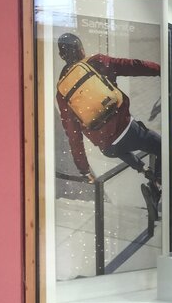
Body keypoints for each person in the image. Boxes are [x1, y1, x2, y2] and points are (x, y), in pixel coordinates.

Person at [55, 33, 162, 212]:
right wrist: (159, 69)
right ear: (81, 49)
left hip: (108, 148)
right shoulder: (96, 62)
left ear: (61, 56)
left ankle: (144, 170)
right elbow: (132, 66)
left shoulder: (62, 92)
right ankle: (156, 185)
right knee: (161, 146)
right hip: (128, 131)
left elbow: (73, 135)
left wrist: (84, 169)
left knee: (119, 147)